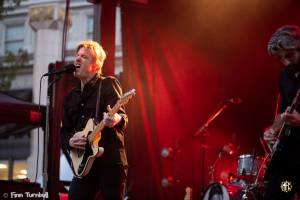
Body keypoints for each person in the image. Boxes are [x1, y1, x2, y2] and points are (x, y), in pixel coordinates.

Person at [60, 40, 128, 200]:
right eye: (76, 56)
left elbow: (123, 117)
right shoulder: (71, 97)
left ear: (96, 65)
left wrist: (115, 119)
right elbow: (64, 132)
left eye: (84, 57)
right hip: (84, 165)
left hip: (110, 162)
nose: (77, 59)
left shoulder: (108, 84)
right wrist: (70, 141)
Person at [263, 25, 300, 200]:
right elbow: (281, 114)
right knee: (277, 194)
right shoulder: (284, 76)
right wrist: (272, 130)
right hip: (289, 162)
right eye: (280, 59)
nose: (285, 63)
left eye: (290, 56)